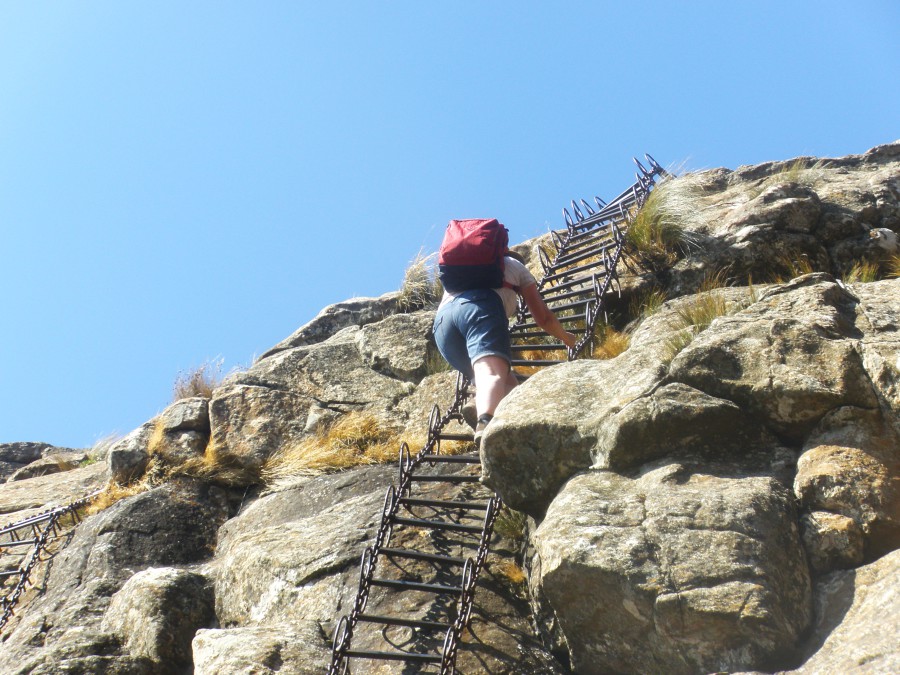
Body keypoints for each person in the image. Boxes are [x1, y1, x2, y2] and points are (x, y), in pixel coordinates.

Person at [432, 248, 578, 445]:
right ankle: (485, 423)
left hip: (442, 327)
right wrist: (565, 337)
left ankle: (478, 404)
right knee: (492, 373)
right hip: (479, 309)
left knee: (508, 385)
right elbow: (543, 318)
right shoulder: (516, 267)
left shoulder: (462, 271)